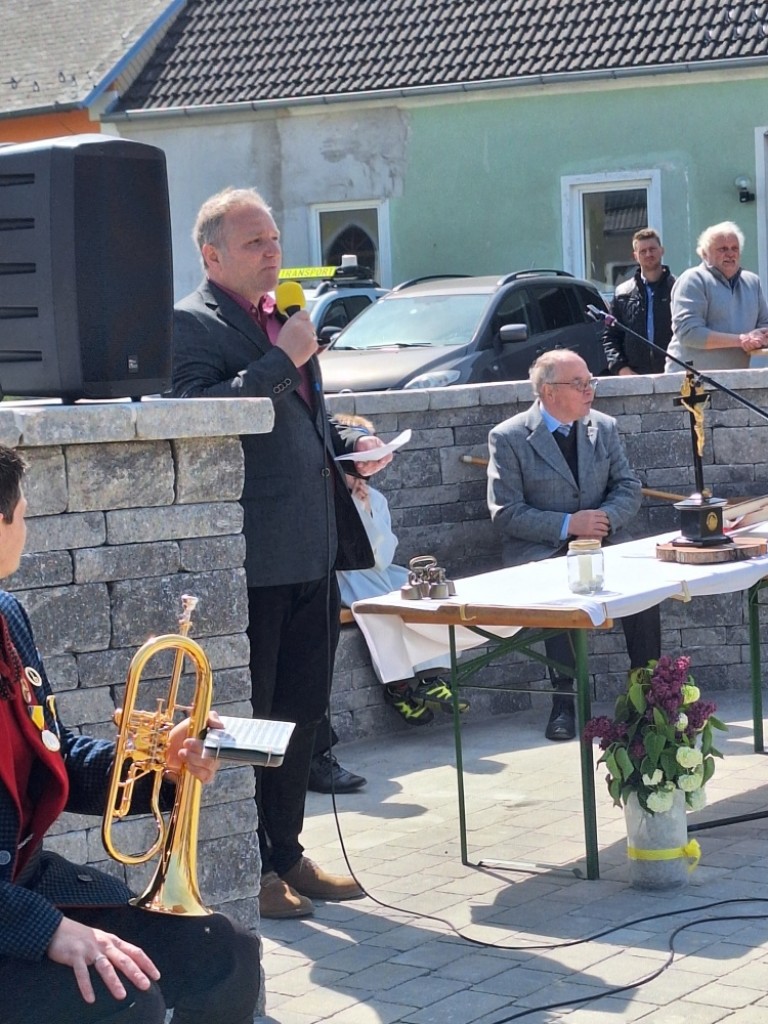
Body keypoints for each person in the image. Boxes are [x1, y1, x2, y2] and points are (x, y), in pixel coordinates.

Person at [171, 187, 391, 919]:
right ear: (212, 256)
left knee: (300, 715)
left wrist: (347, 447)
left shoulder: (282, 315)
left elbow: (299, 418)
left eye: (273, 239)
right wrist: (281, 358)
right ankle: (255, 868)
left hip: (313, 550)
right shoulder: (190, 322)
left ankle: (288, 851)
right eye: (255, 242)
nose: (273, 252)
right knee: (254, 720)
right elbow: (196, 412)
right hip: (256, 559)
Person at [0, 445, 260, 1024]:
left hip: (26, 884)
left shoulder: (6, 616)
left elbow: (52, 752)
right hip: (14, 912)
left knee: (227, 956)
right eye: (23, 513)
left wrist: (157, 765)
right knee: (129, 1001)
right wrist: (46, 930)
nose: (26, 527)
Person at [487, 349, 661, 741]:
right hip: (544, 548)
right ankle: (564, 702)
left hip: (603, 540)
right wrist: (568, 525)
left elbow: (627, 486)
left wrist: (602, 520)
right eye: (579, 383)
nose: (589, 390)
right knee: (559, 588)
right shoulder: (509, 437)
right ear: (549, 392)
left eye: (590, 381)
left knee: (645, 588)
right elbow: (506, 512)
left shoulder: (604, 427)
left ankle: (649, 697)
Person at [665, 220, 768, 371]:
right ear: (704, 254)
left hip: (736, 376)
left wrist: (760, 336)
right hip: (690, 377)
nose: (730, 254)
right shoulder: (693, 280)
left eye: (734, 248)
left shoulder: (752, 282)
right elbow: (689, 332)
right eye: (722, 249)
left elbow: (764, 325)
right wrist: (741, 340)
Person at [602, 228, 675, 375]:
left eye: (652, 249)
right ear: (635, 256)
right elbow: (611, 337)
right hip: (634, 377)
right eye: (643, 251)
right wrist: (621, 369)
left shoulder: (677, 288)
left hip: (673, 374)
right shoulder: (623, 293)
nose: (648, 254)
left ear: (662, 251)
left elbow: (687, 333)